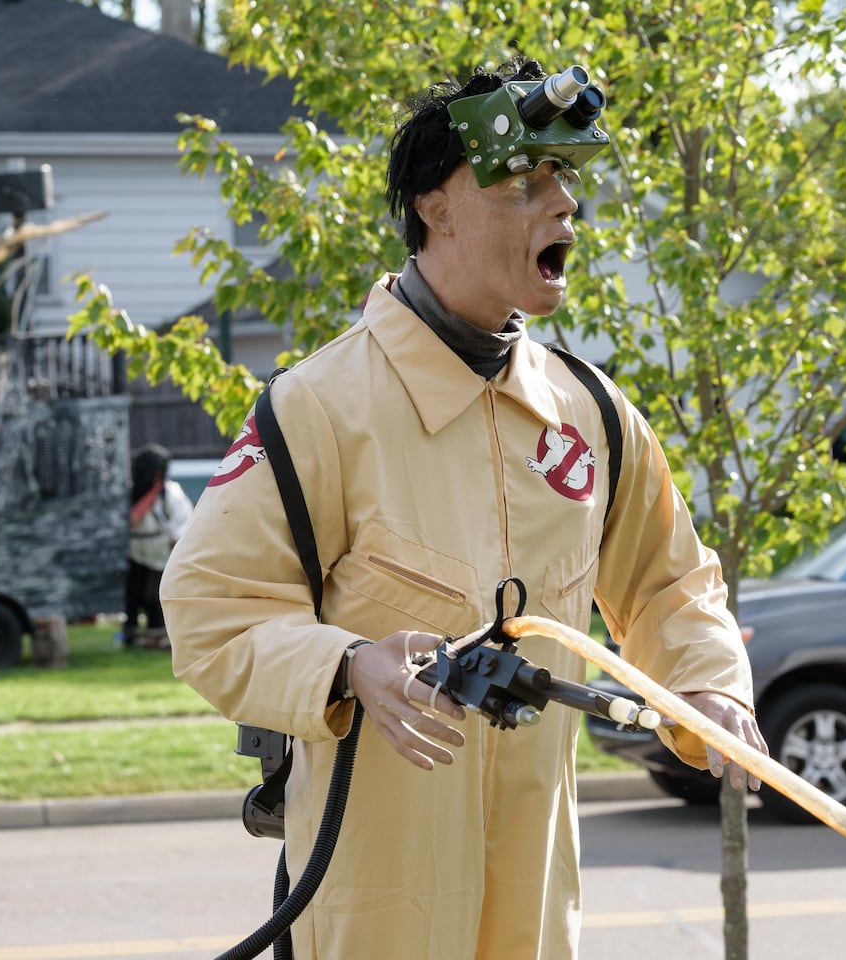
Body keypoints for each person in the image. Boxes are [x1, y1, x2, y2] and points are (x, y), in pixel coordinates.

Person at [160, 57, 766, 959]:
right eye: (525, 185)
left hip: (536, 910)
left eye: (565, 184)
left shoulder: (593, 416)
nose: (563, 207)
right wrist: (346, 666)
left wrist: (709, 684)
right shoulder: (319, 409)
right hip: (374, 909)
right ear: (436, 207)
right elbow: (210, 611)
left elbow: (672, 586)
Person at [124, 443, 193, 650]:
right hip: (135, 548)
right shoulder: (130, 491)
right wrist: (150, 494)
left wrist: (177, 539)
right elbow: (132, 520)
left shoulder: (171, 492)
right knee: (133, 594)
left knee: (154, 594)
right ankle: (133, 635)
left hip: (160, 549)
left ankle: (158, 636)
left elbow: (185, 519)